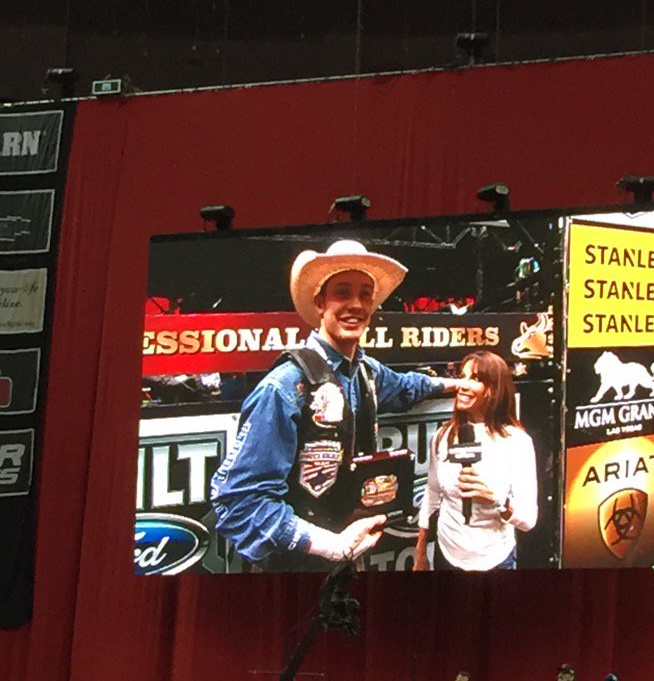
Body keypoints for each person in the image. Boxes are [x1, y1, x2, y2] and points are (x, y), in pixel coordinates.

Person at [211, 240, 461, 571]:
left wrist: (456, 384)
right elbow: (239, 500)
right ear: (320, 303)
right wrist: (330, 546)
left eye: (365, 295)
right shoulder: (284, 386)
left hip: (350, 561)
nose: (355, 304)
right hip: (297, 567)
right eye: (342, 293)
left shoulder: (366, 372)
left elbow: (406, 386)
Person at [414, 350, 538, 571]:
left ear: (494, 389)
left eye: (475, 379)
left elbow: (528, 521)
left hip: (495, 560)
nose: (463, 385)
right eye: (462, 376)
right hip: (446, 554)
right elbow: (432, 494)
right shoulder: (443, 436)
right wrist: (421, 551)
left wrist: (496, 499)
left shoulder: (517, 441)